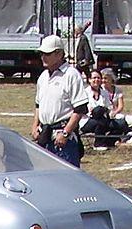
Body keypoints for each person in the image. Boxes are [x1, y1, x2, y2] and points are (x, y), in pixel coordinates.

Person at [33, 33, 88, 166]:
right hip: (45, 135)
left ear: (59, 54)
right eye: (41, 54)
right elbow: (38, 105)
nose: (43, 57)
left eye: (47, 54)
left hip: (63, 138)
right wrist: (34, 126)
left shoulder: (71, 75)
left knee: (67, 176)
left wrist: (65, 133)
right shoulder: (43, 76)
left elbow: (80, 108)